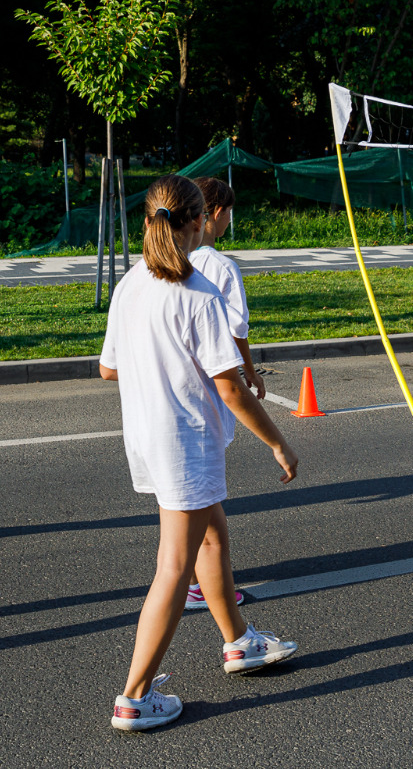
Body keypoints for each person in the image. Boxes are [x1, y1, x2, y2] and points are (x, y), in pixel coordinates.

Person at [99, 175, 300, 731]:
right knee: (172, 569)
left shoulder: (129, 285)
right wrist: (279, 442)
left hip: (149, 436)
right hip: (185, 442)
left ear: (147, 221)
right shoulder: (198, 293)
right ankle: (134, 697)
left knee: (213, 534)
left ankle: (239, 641)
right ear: (198, 223)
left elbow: (108, 366)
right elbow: (231, 387)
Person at [180, 176, 262, 611]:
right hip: (211, 390)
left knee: (195, 502)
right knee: (205, 504)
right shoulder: (221, 267)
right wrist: (250, 370)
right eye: (229, 212)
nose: (231, 220)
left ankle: (200, 583)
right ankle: (206, 591)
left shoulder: (163, 263)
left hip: (178, 390)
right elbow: (236, 329)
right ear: (212, 215)